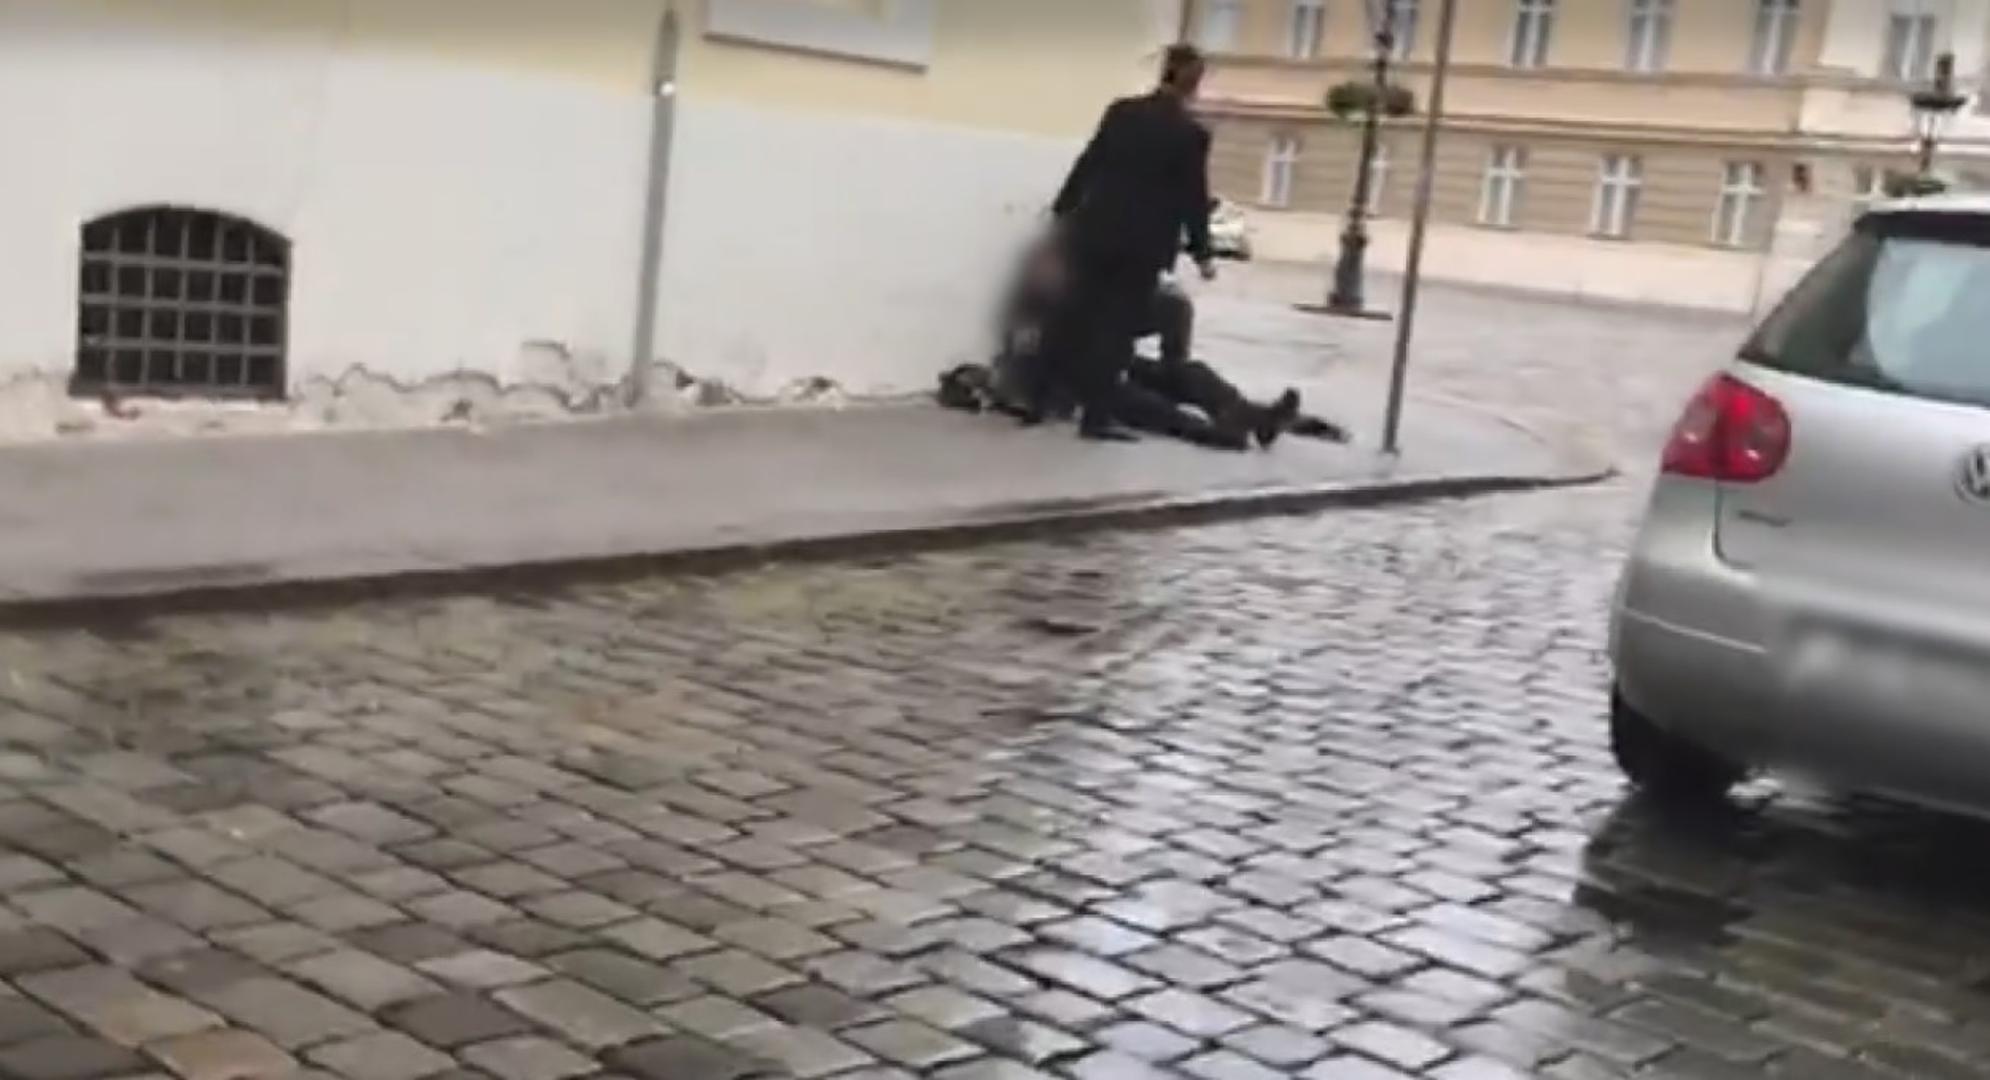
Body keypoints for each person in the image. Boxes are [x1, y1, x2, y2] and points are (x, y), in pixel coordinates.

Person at [1049, 43, 1218, 441]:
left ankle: (1050, 398)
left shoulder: (1122, 112)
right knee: (1117, 328)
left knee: (1082, 313)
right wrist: (1203, 253)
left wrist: (1062, 210)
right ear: (1194, 84)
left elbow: (1089, 162)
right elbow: (1193, 197)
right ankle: (1096, 417)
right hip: (1141, 247)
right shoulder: (1190, 135)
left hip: (1094, 232)